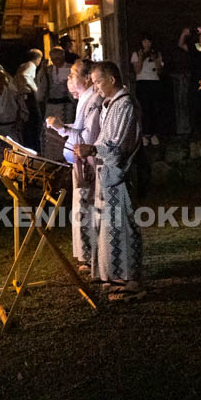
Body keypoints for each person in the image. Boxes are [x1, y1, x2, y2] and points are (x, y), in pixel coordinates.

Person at [75, 61, 145, 302]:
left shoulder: (125, 104)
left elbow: (118, 145)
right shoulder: (112, 105)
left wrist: (92, 149)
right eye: (93, 83)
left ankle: (130, 280)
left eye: (98, 82)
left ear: (112, 80)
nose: (96, 88)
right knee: (110, 228)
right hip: (108, 175)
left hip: (119, 175)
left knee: (122, 227)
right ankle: (115, 275)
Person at [47, 59, 101, 275]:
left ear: (87, 77)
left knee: (88, 208)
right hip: (78, 163)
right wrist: (63, 129)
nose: (69, 79)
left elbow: (88, 137)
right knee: (82, 208)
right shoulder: (84, 100)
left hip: (87, 163)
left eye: (72, 74)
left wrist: (62, 128)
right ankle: (88, 256)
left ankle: (93, 256)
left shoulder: (94, 100)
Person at [39, 46, 73, 160]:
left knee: (65, 130)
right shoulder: (48, 70)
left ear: (63, 56)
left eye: (59, 58)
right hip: (51, 105)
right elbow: (42, 88)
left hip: (66, 105)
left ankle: (66, 157)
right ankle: (53, 157)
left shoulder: (70, 68)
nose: (56, 61)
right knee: (51, 132)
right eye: (54, 59)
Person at [130, 34, 164, 146]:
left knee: (155, 108)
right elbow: (137, 70)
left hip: (154, 82)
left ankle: (154, 134)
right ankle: (144, 135)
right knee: (144, 108)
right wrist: (141, 57)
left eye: (148, 42)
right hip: (142, 82)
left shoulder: (156, 53)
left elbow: (159, 71)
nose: (147, 44)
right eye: (144, 41)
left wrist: (155, 60)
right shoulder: (136, 53)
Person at [15, 48, 43, 150]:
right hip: (28, 96)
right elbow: (25, 76)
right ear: (38, 59)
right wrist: (36, 89)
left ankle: (28, 144)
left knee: (27, 122)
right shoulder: (31, 65)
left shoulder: (23, 65)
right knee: (34, 121)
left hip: (22, 96)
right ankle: (33, 145)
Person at [172, 27, 195, 135]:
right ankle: (184, 129)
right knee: (183, 103)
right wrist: (183, 34)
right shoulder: (193, 47)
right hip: (190, 77)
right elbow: (180, 44)